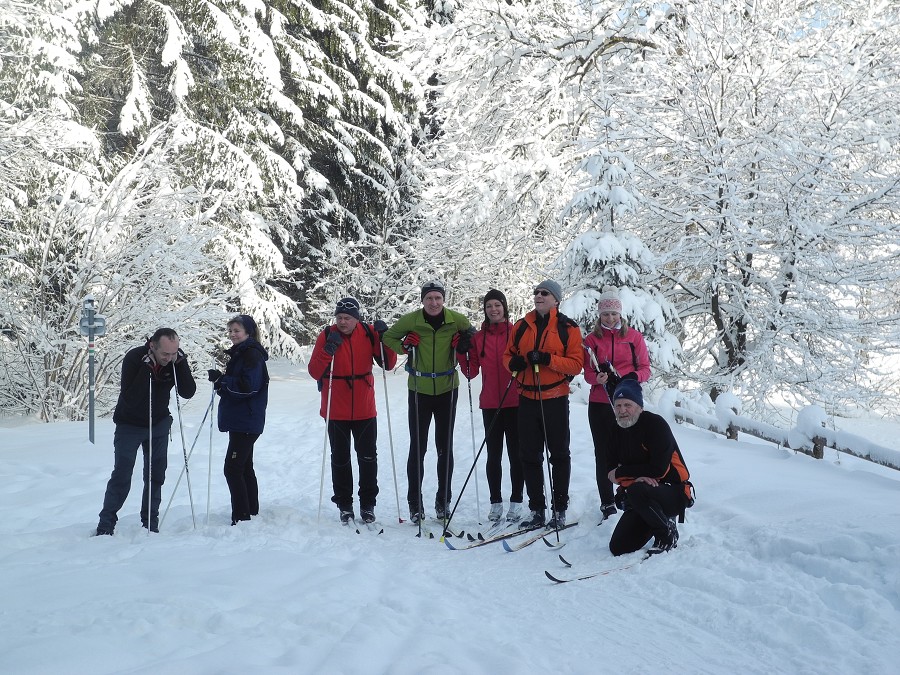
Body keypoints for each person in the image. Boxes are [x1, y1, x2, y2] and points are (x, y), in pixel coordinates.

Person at [382, 280, 473, 523]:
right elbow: (389, 337)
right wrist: (404, 346)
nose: (433, 303)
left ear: (444, 300)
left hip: (447, 388)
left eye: (438, 298)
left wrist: (465, 343)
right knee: (418, 447)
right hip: (419, 390)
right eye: (429, 298)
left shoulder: (456, 320)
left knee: (445, 447)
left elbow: (473, 334)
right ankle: (415, 503)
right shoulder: (412, 320)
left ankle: (443, 501)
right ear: (422, 300)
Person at [96, 328, 197, 535]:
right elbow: (131, 399)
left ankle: (150, 522)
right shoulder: (134, 358)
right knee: (122, 475)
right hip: (129, 425)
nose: (169, 359)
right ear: (152, 345)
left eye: (174, 353)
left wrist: (181, 363)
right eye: (165, 354)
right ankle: (106, 524)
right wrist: (146, 370)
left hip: (158, 425)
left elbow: (188, 392)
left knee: (155, 475)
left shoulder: (175, 360)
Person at [307, 297, 398, 524]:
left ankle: (368, 504)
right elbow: (314, 370)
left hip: (364, 407)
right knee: (340, 458)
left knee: (368, 458)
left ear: (356, 319)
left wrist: (384, 338)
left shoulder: (368, 333)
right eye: (339, 317)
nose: (342, 322)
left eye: (347, 318)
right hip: (335, 407)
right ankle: (344, 504)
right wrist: (329, 349)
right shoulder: (328, 335)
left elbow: (388, 363)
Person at [503, 280, 583, 530]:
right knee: (529, 455)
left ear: (556, 300)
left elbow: (576, 364)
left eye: (544, 293)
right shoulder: (521, 326)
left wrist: (549, 359)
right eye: (536, 292)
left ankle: (559, 509)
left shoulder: (567, 328)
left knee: (558, 455)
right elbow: (508, 355)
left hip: (555, 398)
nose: (538, 296)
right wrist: (513, 364)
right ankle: (536, 508)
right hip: (526, 398)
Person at [582, 286, 651, 520]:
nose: (610, 318)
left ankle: (630, 495)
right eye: (605, 314)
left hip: (627, 403)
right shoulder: (591, 340)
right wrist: (597, 377)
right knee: (603, 453)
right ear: (599, 316)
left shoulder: (633, 337)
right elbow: (587, 373)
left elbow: (645, 369)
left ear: (620, 314)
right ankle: (607, 501)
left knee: (631, 451)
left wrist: (633, 377)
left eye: (613, 313)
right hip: (600, 403)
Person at [606, 379, 694, 556]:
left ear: (639, 406)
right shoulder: (615, 430)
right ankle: (655, 522)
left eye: (628, 405)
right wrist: (635, 477)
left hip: (673, 492)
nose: (622, 411)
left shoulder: (655, 425)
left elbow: (658, 470)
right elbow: (609, 473)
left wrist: (627, 475)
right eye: (618, 405)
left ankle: (666, 534)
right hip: (640, 497)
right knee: (618, 547)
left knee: (638, 490)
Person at [458, 289, 524, 523]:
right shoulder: (479, 338)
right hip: (490, 404)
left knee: (517, 455)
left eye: (497, 305)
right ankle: (495, 502)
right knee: (493, 455)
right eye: (489, 306)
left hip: (515, 401)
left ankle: (516, 501)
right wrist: (461, 351)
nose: (494, 310)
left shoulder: (516, 332)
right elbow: (470, 372)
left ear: (504, 307)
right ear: (484, 310)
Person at [207, 315, 269, 526]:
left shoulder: (251, 354)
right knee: (243, 466)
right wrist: (221, 383)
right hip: (243, 420)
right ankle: (250, 511)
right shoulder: (242, 353)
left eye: (237, 330)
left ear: (248, 333)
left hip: (246, 421)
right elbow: (239, 388)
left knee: (232, 468)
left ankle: (242, 516)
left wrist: (223, 380)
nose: (233, 334)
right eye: (231, 330)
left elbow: (248, 386)